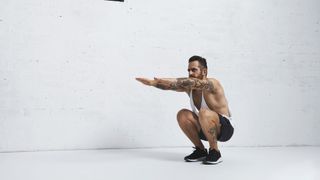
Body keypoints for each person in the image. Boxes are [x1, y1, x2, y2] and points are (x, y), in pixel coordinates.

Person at [136, 55, 234, 165]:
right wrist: (152, 83)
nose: (190, 73)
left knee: (204, 112)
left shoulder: (212, 84)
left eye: (194, 70)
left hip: (225, 129)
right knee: (182, 114)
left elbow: (182, 81)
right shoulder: (189, 87)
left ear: (204, 71)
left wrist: (167, 81)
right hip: (206, 126)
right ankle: (200, 150)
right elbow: (171, 85)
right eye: (189, 70)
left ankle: (215, 151)